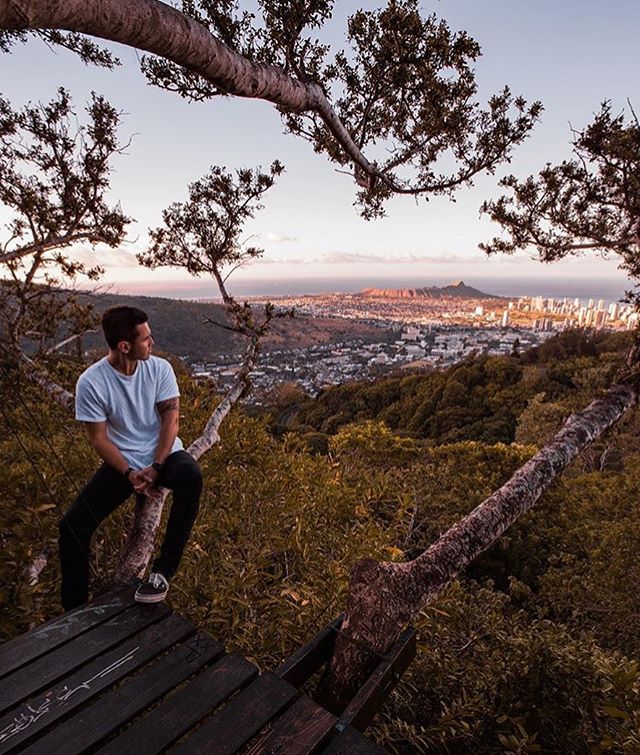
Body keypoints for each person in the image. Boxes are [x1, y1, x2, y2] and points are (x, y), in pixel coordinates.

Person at [59, 305, 203, 610]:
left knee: (191, 476)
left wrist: (157, 466)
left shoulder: (160, 369)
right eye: (146, 338)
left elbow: (171, 421)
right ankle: (73, 612)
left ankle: (162, 573)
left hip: (163, 456)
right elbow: (98, 439)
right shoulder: (91, 382)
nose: (152, 342)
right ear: (125, 346)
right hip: (123, 464)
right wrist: (128, 473)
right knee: (72, 527)